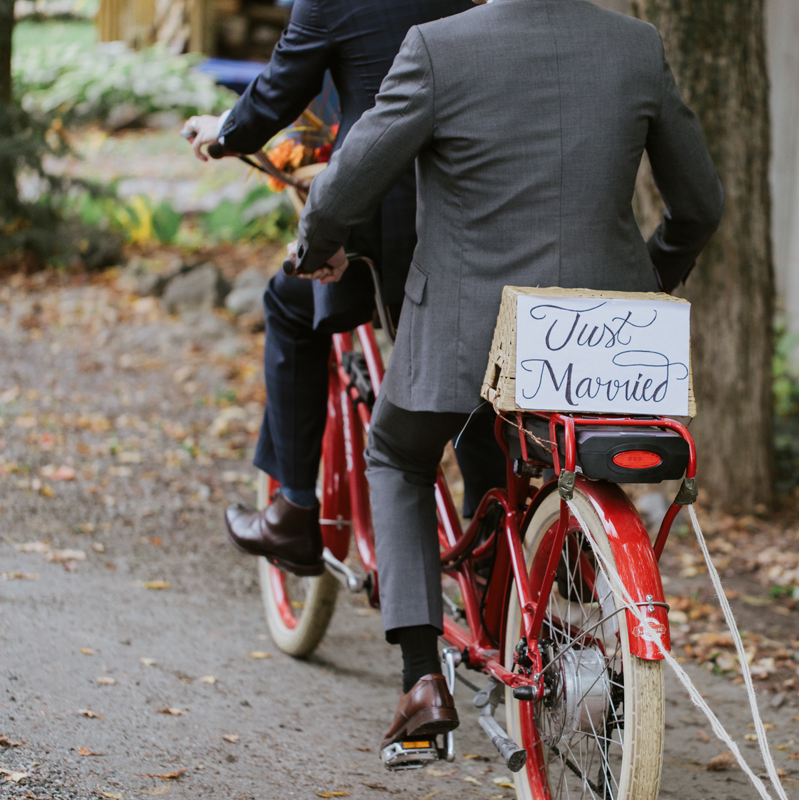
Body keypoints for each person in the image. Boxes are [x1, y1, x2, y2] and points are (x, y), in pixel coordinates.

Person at [290, 0, 724, 748]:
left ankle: (421, 677)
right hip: (600, 340)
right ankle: (540, 587)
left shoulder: (437, 48)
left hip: (466, 341)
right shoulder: (636, 47)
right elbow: (700, 205)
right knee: (539, 449)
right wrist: (648, 278)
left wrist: (317, 242)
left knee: (396, 455)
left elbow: (350, 179)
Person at [180, 0, 504, 578]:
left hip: (385, 215)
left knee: (288, 302)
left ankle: (294, 510)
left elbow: (281, 90)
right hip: (484, 206)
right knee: (473, 360)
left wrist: (225, 131)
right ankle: (494, 546)